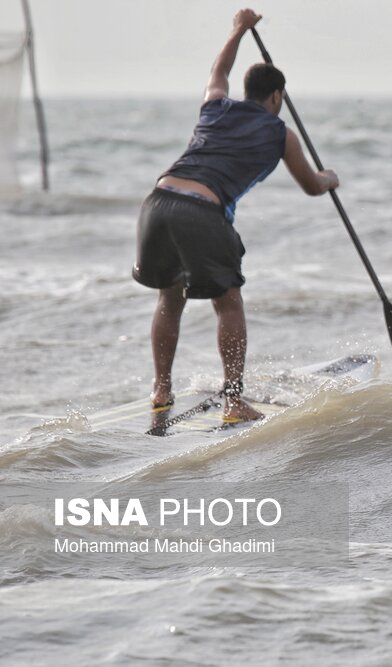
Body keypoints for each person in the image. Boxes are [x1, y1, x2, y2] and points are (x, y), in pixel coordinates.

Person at [131, 9, 339, 423]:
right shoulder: (281, 134)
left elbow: (218, 68)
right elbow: (312, 186)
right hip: (201, 212)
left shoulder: (215, 106)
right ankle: (234, 401)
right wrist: (330, 178)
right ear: (277, 97)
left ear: (247, 91)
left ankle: (161, 390)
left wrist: (239, 30)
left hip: (157, 200)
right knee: (228, 303)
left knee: (169, 298)